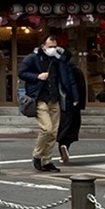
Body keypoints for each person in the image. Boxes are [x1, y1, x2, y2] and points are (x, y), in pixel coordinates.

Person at [18, 32, 82, 172]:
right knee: (46, 129)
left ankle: (46, 160)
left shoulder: (58, 59)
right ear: (43, 46)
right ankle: (38, 155)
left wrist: (74, 96)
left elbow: (68, 73)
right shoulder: (33, 58)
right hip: (39, 97)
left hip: (55, 98)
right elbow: (21, 72)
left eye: (55, 45)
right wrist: (37, 76)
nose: (53, 48)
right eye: (50, 46)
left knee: (53, 132)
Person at [54, 45, 87, 164]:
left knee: (64, 124)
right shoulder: (69, 68)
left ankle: (62, 147)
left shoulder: (53, 66)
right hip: (68, 101)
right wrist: (77, 99)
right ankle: (64, 146)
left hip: (56, 100)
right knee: (70, 124)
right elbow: (72, 84)